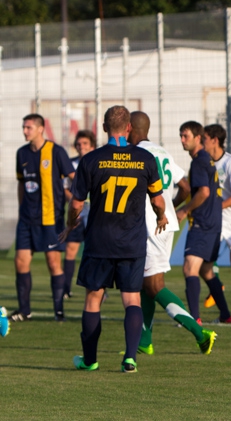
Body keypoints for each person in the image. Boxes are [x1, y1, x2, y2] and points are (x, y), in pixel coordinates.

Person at [63, 105, 167, 372]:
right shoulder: (145, 159)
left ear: (105, 128)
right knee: (131, 299)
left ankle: (90, 360)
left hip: (99, 240)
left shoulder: (91, 160)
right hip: (131, 241)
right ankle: (130, 358)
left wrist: (70, 223)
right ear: (129, 127)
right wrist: (161, 216)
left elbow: (76, 205)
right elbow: (158, 200)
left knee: (93, 299)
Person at [128, 112, 217, 355]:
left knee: (154, 286)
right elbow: (185, 187)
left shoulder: (138, 155)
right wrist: (171, 206)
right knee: (146, 283)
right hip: (164, 224)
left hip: (150, 226)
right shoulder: (162, 152)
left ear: (130, 129)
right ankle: (144, 340)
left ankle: (200, 333)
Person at [13, 114, 74, 322]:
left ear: (41, 129)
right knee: (20, 262)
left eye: (28, 127)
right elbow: (22, 183)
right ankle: (24, 310)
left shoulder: (56, 151)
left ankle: (58, 311)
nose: (25, 131)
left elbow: (74, 178)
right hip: (26, 219)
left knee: (53, 262)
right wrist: (22, 207)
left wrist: (78, 203)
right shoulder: (21, 153)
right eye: (24, 127)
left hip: (50, 218)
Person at [176, 121, 231, 324]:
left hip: (202, 223)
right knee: (206, 270)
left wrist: (184, 210)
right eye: (181, 136)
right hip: (213, 222)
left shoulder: (199, 161)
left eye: (186, 136)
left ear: (198, 138)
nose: (182, 140)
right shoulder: (206, 159)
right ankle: (225, 315)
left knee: (189, 269)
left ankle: (194, 319)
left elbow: (204, 192)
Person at [201, 124, 231, 315]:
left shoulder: (229, 162)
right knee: (208, 256)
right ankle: (217, 287)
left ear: (214, 140)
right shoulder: (205, 161)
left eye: (204, 138)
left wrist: (217, 206)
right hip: (215, 218)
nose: (202, 141)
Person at [63, 130, 97, 299]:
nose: (81, 147)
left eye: (85, 144)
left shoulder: (99, 161)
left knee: (94, 250)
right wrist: (76, 201)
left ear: (92, 146)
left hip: (96, 211)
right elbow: (65, 188)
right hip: (78, 210)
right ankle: (66, 289)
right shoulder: (70, 164)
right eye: (78, 144)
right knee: (71, 249)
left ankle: (96, 287)